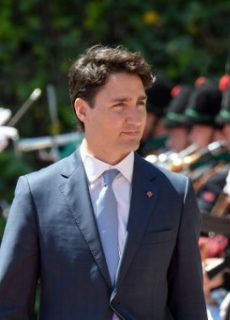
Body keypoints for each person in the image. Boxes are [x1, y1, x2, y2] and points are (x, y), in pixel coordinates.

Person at [0, 45, 207, 320]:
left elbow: (190, 305)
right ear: (83, 110)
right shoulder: (37, 193)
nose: (135, 119)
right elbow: (9, 305)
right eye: (120, 105)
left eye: (140, 104)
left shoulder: (174, 193)